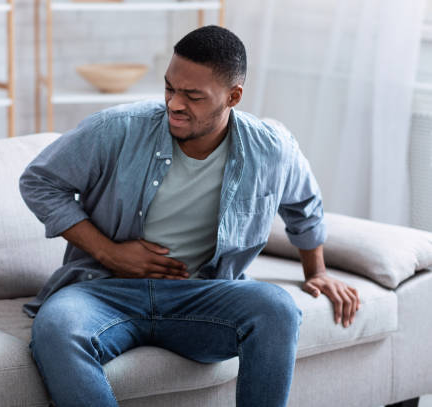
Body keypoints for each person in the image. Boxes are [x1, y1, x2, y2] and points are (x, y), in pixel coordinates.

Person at [19, 25, 360, 407]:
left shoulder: (271, 148)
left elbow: (304, 204)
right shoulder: (117, 129)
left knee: (276, 308)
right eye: (169, 88)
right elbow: (39, 182)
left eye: (192, 96)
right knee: (57, 326)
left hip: (204, 295)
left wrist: (317, 272)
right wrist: (109, 252)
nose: (174, 104)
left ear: (233, 96)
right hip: (105, 291)